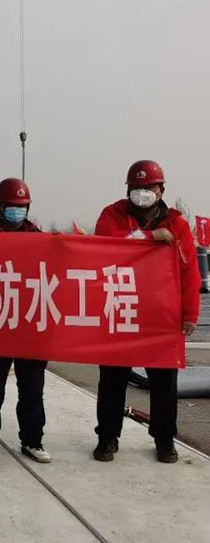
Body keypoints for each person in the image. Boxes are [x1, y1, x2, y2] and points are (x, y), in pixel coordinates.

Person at [93, 160, 200, 464]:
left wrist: (190, 313)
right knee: (112, 379)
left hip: (161, 316)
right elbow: (104, 247)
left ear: (161, 190)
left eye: (148, 187)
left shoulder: (177, 223)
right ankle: (107, 438)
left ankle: (164, 440)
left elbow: (189, 269)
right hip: (120, 309)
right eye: (136, 188)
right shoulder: (112, 216)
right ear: (128, 191)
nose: (142, 192)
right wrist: (149, 238)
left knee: (165, 383)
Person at [0, 178, 50, 463]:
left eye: (21, 207)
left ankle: (32, 440)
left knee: (32, 388)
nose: (16, 211)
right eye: (10, 207)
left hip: (29, 324)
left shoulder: (40, 239)